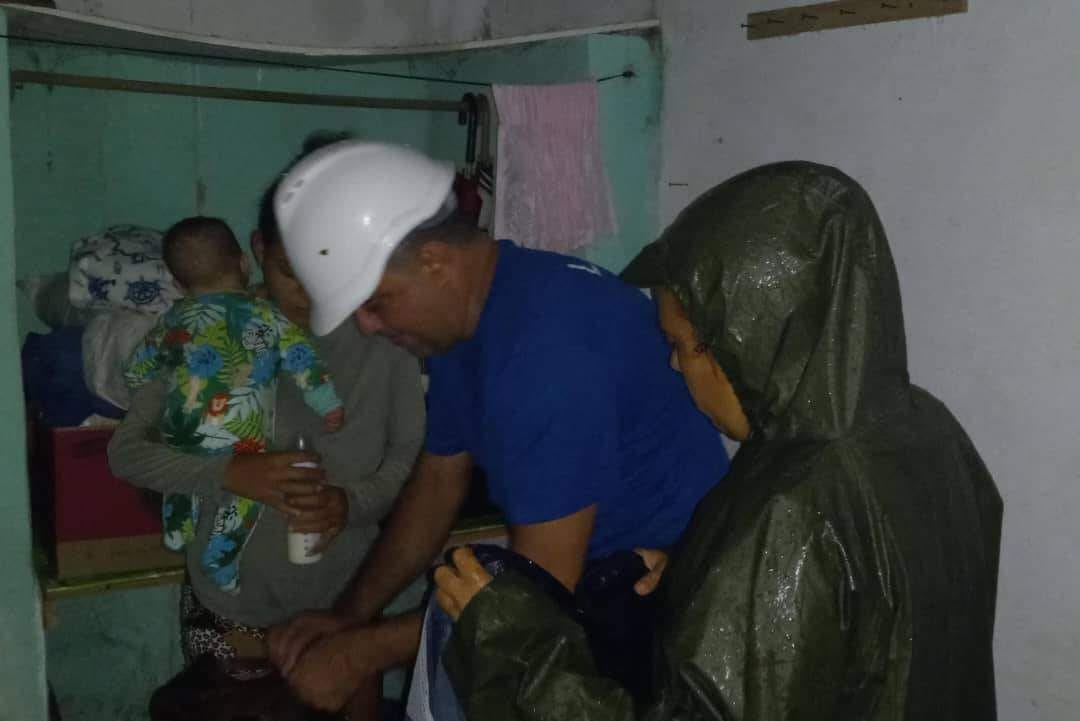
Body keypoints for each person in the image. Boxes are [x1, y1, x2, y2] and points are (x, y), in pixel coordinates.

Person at [433, 162, 1004, 721]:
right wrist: (704, 572)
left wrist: (518, 652)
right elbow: (867, 609)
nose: (676, 367)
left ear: (747, 340)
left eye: (682, 345)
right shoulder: (927, 430)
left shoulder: (789, 511)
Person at [266, 141, 730, 711]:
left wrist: (355, 654)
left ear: (435, 262)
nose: (366, 326)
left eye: (377, 303)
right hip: (593, 588)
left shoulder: (546, 351)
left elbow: (537, 594)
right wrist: (347, 617)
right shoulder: (478, 316)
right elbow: (438, 482)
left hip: (663, 609)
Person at [109, 151, 425, 718]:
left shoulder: (387, 341)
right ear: (256, 254)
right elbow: (128, 453)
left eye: (329, 268)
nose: (310, 293)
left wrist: (348, 504)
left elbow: (411, 464)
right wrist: (227, 472)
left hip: (349, 606)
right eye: (289, 269)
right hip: (231, 614)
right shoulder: (206, 336)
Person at [124, 216, 345, 593]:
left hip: (184, 430)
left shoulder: (174, 319)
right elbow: (304, 362)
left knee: (183, 475)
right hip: (242, 439)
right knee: (246, 497)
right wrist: (328, 405)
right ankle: (221, 559)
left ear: (178, 284)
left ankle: (178, 527)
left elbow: (138, 367)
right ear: (244, 263)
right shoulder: (268, 316)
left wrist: (143, 387)